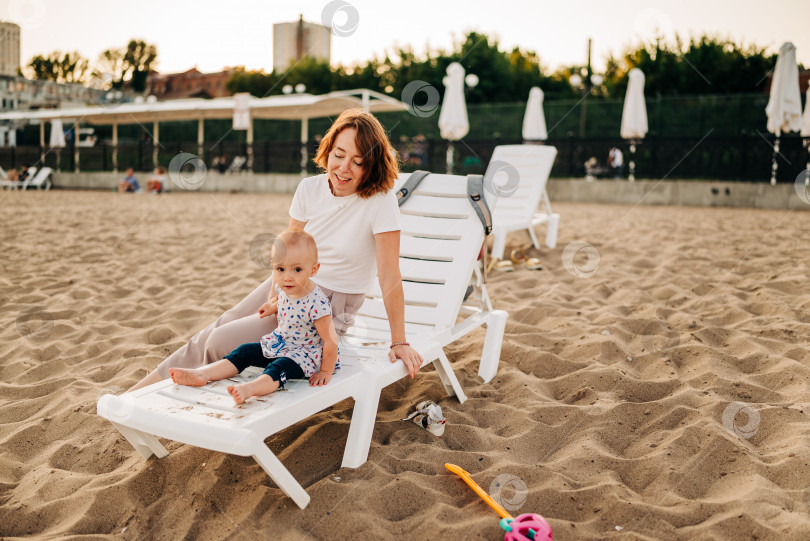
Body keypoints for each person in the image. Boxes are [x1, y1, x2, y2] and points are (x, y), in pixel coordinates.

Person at [128, 108, 424, 392]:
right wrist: (275, 298)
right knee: (219, 325)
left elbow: (388, 274)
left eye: (358, 162)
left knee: (220, 341)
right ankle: (137, 393)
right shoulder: (310, 188)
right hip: (291, 280)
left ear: (371, 165)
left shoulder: (380, 200)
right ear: (329, 150)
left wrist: (399, 341)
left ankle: (177, 397)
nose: (344, 168)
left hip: (326, 304)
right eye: (339, 155)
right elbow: (286, 251)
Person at [169, 229, 339, 404]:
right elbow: (281, 300)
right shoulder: (286, 287)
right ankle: (203, 374)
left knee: (278, 367)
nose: (287, 277)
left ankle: (249, 389)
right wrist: (271, 307)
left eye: (297, 269)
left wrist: (325, 371)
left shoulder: (317, 303)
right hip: (281, 344)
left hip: (304, 355)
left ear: (313, 269)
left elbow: (330, 340)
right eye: (280, 268)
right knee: (245, 351)